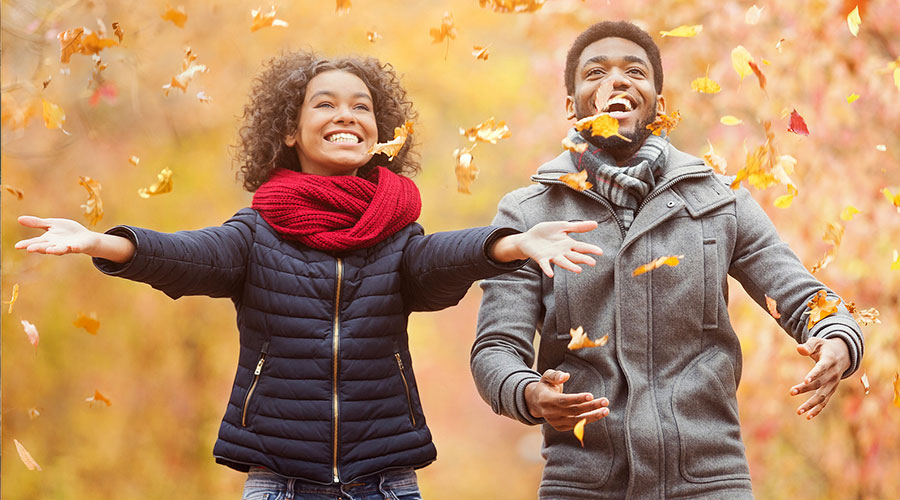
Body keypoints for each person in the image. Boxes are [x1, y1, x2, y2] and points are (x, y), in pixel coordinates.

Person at [15, 51, 604, 500]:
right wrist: (103, 241)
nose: (346, 114)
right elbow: (186, 255)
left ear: (382, 133)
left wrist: (509, 243)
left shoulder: (397, 234)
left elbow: (438, 260)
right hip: (280, 482)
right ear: (290, 131)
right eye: (325, 103)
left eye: (362, 106)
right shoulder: (256, 233)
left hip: (387, 481)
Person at [470, 21, 864, 500]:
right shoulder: (528, 213)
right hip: (581, 485)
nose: (616, 80)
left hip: (711, 483)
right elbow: (495, 348)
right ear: (571, 105)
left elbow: (809, 301)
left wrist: (837, 339)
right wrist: (529, 393)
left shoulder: (721, 202)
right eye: (595, 72)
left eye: (634, 71)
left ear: (658, 102)